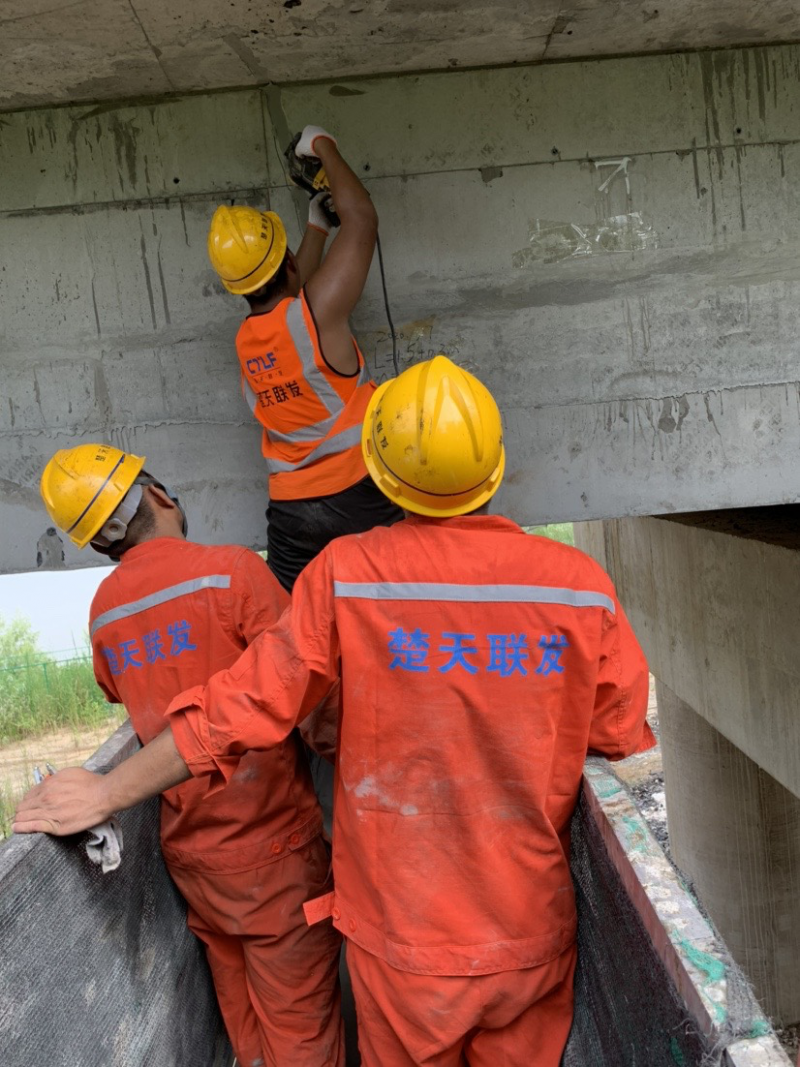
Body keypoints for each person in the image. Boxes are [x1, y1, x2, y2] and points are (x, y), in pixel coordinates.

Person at [18, 358, 654, 1067]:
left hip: (398, 942)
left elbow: (238, 707)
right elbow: (618, 733)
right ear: (494, 468)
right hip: (528, 935)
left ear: (381, 476)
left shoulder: (346, 576)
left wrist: (106, 789)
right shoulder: (580, 590)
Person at [36, 443, 344, 1067]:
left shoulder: (105, 615)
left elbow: (126, 693)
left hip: (194, 859)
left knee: (246, 1031)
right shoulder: (232, 571)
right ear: (158, 495)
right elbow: (309, 701)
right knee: (302, 1032)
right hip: (275, 850)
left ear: (99, 544)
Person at [207, 123, 403, 595]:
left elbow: (292, 292)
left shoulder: (249, 340)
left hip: (292, 515)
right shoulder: (316, 317)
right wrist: (322, 146)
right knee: (389, 614)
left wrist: (316, 225)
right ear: (289, 262)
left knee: (300, 635)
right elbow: (362, 221)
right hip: (358, 494)